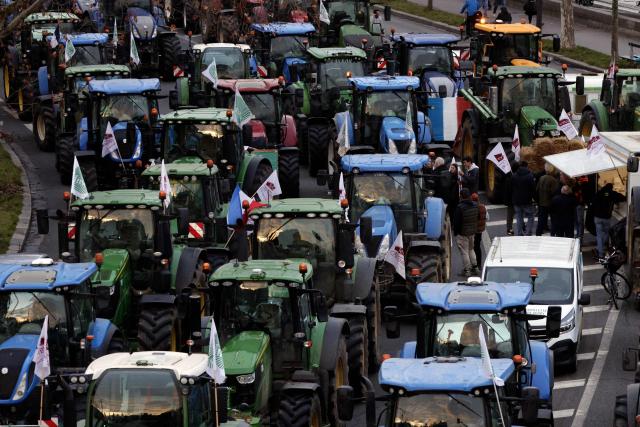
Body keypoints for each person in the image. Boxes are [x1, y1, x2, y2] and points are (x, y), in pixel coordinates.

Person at [592, 182, 625, 258]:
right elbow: (622, 197)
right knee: (606, 233)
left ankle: (600, 252)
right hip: (606, 218)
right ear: (611, 187)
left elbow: (593, 203)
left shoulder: (599, 193)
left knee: (599, 235)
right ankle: (602, 248)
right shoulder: (612, 193)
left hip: (597, 217)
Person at [454, 188, 479, 276]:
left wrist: (456, 233)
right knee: (471, 249)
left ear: (461, 196)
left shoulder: (460, 207)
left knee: (464, 252)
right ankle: (475, 267)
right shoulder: (476, 205)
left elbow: (457, 222)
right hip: (472, 232)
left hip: (463, 233)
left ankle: (467, 270)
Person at [511, 160, 535, 236]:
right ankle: (528, 232)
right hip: (527, 200)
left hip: (517, 201)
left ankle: (519, 233)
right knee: (530, 216)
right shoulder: (530, 176)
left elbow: (512, 188)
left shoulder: (514, 175)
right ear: (527, 166)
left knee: (519, 217)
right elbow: (533, 188)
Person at [535, 163, 559, 236]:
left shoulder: (541, 178)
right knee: (553, 220)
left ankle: (538, 233)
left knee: (541, 219)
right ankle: (553, 234)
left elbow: (537, 189)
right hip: (550, 203)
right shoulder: (553, 180)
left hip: (542, 202)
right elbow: (554, 192)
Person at [471, 193, 488, 268]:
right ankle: (479, 264)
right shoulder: (483, 207)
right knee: (478, 247)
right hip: (480, 231)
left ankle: (473, 264)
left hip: (472, 230)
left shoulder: (471, 207)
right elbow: (487, 217)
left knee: (472, 248)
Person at [504, 161, 517, 235]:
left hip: (511, 200)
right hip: (513, 200)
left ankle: (509, 228)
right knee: (513, 215)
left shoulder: (508, 177)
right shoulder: (512, 177)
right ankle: (509, 229)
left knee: (511, 215)